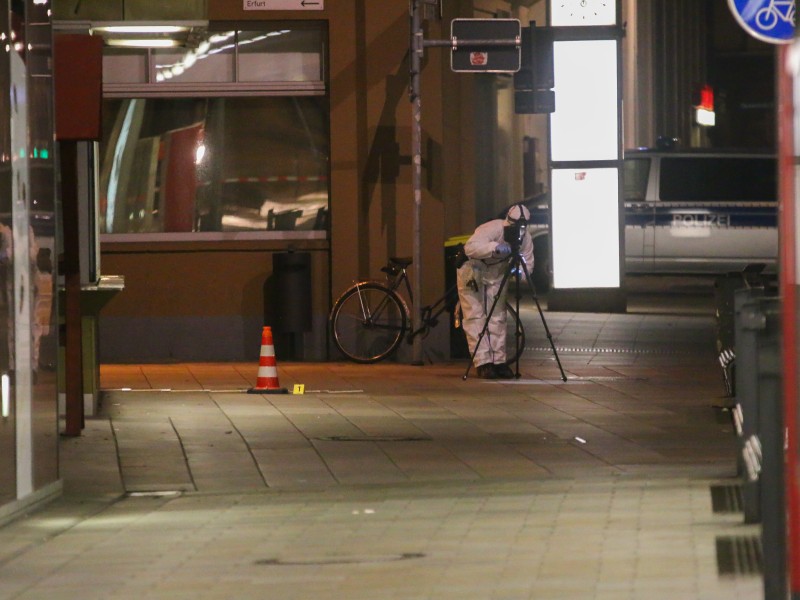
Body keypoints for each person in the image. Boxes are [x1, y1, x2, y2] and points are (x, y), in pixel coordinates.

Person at [456, 204, 534, 379]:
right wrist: (493, 248)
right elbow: (470, 247)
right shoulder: (491, 229)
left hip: (497, 273)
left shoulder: (525, 239)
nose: (516, 233)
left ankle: (499, 361)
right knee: (475, 316)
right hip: (473, 269)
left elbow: (528, 264)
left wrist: (519, 272)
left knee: (498, 317)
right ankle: (483, 362)